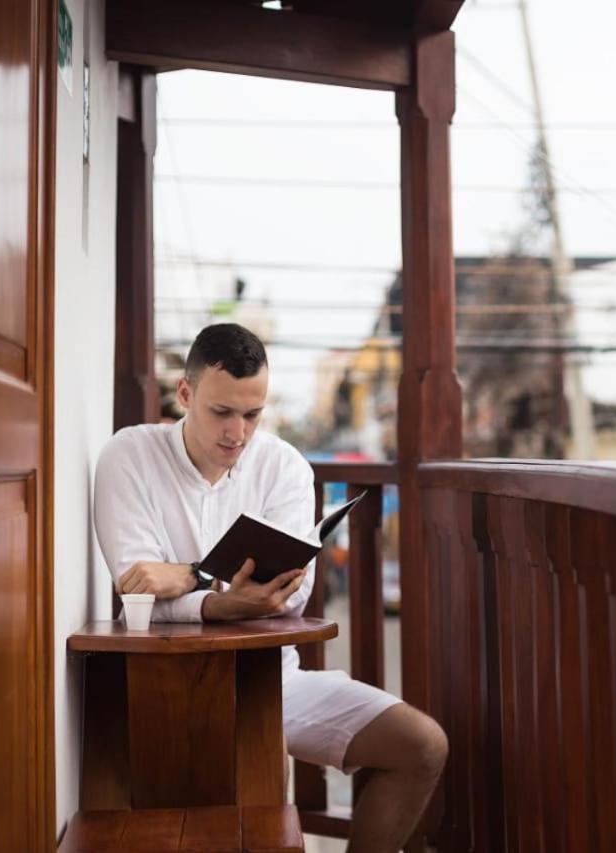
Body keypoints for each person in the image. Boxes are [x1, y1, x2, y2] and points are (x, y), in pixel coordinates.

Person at [94, 323, 446, 853]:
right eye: (222, 412)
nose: (237, 433)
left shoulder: (283, 466)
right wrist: (222, 598)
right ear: (185, 394)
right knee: (249, 778)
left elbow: (290, 596)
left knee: (421, 745)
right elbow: (139, 596)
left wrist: (191, 579)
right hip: (163, 684)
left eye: (252, 415)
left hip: (271, 682)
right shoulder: (130, 455)